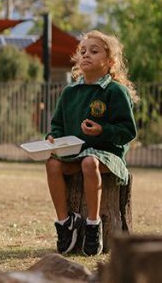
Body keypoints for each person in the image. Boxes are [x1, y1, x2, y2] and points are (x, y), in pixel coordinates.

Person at [44, 30, 138, 256]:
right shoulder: (70, 92)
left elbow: (128, 131)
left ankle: (93, 224)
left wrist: (102, 130)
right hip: (74, 154)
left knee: (89, 163)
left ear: (110, 61)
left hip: (108, 157)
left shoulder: (116, 91)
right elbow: (57, 124)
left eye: (94, 51)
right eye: (83, 51)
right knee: (52, 164)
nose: (86, 55)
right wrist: (53, 137)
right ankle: (65, 222)